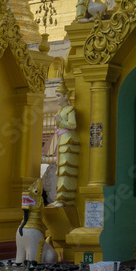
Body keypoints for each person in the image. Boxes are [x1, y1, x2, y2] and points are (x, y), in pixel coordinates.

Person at [52, 79, 80, 207]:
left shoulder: (69, 109)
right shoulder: (60, 111)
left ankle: (66, 198)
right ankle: (60, 197)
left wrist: (60, 122)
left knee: (67, 169)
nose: (56, 98)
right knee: (60, 169)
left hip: (68, 140)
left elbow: (73, 125)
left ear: (65, 96)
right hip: (62, 140)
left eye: (58, 95)